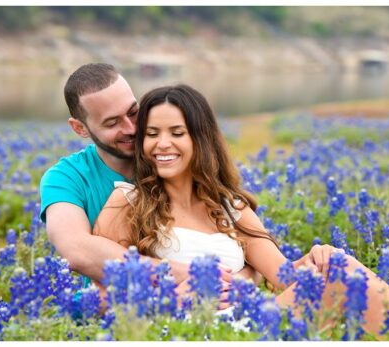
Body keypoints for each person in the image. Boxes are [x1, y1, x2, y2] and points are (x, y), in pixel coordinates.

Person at [92, 84, 389, 340]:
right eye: (151, 134)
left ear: (201, 138)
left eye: (176, 132)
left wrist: (318, 258)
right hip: (183, 330)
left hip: (252, 322)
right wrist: (164, 297)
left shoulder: (229, 207)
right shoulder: (128, 202)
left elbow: (285, 278)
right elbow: (102, 299)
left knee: (336, 263)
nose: (161, 144)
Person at [40, 63, 258, 291]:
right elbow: (78, 251)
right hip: (118, 310)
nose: (131, 128)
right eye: (112, 123)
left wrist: (227, 285)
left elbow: (249, 249)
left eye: (134, 113)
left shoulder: (174, 161)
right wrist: (190, 278)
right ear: (79, 128)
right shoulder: (65, 178)